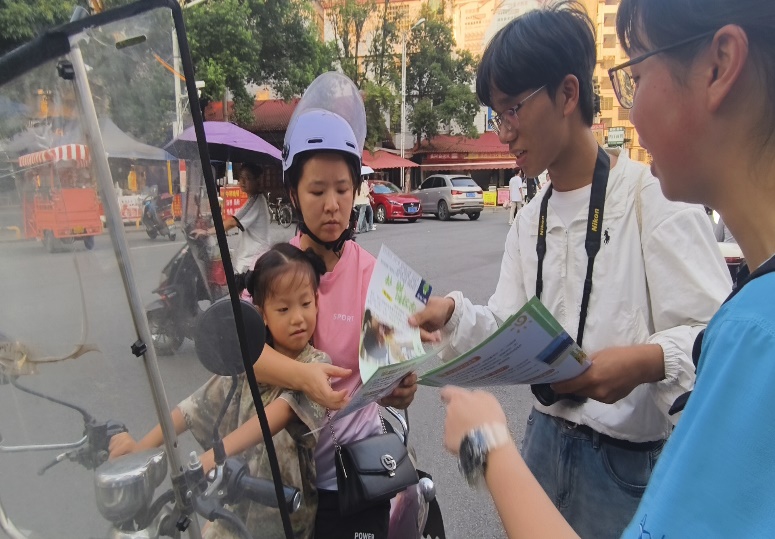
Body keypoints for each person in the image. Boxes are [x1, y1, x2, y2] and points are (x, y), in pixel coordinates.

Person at [440, 0, 775, 537]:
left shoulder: (653, 198)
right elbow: (509, 326)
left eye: (513, 109)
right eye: (497, 115)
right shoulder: (529, 218)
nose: (503, 132)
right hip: (543, 437)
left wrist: (645, 362)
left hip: (624, 465)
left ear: (567, 94)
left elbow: (712, 347)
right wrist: (453, 316)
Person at [212, 72, 417, 539]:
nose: (332, 204)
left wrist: (402, 389)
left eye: (343, 189)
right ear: (293, 193)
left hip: (360, 475)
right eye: (317, 190)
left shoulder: (374, 275)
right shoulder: (273, 270)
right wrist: (303, 376)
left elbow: (391, 375)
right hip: (287, 480)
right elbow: (240, 350)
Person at [109, 243, 332, 539]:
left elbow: (279, 414)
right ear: (262, 314)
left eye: (305, 304)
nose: (298, 318)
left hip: (286, 520)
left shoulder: (317, 365)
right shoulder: (245, 364)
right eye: (283, 308)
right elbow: (191, 409)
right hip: (232, 513)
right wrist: (141, 449)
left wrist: (214, 457)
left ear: (317, 302)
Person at [194, 163, 270, 275]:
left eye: (247, 178)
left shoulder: (255, 201)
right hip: (252, 258)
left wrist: (207, 232)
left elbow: (232, 222)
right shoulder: (255, 199)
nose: (242, 182)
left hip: (251, 262)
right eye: (241, 177)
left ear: (257, 181)